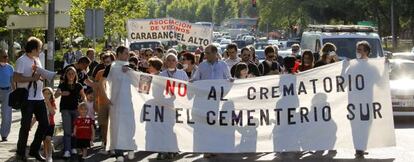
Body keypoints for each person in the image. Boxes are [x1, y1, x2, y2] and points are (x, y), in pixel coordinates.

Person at [15, 37, 49, 161]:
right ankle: (21, 152)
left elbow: (37, 76)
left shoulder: (37, 59)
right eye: (39, 48)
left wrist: (41, 76)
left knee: (45, 123)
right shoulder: (21, 60)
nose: (40, 51)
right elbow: (16, 78)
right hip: (27, 98)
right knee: (25, 126)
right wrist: (32, 79)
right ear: (33, 49)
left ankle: (34, 150)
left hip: (38, 96)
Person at [100, 46, 136, 162]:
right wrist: (105, 97)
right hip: (115, 103)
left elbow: (140, 81)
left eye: (129, 53)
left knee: (129, 125)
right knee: (116, 126)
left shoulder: (131, 66)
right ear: (119, 54)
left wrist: (131, 71)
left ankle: (130, 148)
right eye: (126, 53)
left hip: (129, 103)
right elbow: (102, 82)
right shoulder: (111, 67)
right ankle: (118, 152)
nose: (128, 55)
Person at [55, 67, 87, 158]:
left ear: (75, 75)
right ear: (66, 75)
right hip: (65, 109)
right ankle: (67, 150)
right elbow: (55, 95)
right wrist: (61, 93)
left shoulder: (78, 85)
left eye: (73, 73)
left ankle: (73, 147)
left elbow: (83, 97)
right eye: (69, 73)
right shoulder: (62, 85)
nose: (71, 75)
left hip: (76, 109)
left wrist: (83, 105)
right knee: (67, 130)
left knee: (75, 130)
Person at [94, 53, 115, 155]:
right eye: (105, 62)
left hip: (113, 102)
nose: (107, 64)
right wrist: (94, 101)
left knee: (112, 124)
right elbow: (96, 88)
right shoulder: (100, 73)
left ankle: (112, 145)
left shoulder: (116, 72)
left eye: (109, 61)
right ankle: (105, 142)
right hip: (102, 102)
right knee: (103, 124)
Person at [0, 49, 14, 142]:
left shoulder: (10, 68)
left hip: (8, 91)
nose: (6, 58)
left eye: (7, 56)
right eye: (4, 56)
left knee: (6, 114)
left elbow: (13, 81)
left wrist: (15, 92)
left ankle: (4, 135)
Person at [42, 87, 56, 162]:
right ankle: (46, 153)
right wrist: (30, 125)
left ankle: (50, 156)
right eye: (45, 93)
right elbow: (36, 116)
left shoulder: (52, 102)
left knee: (48, 139)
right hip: (42, 125)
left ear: (51, 95)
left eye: (48, 93)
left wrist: (48, 103)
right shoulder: (40, 104)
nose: (46, 95)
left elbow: (53, 112)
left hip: (51, 124)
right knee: (44, 141)